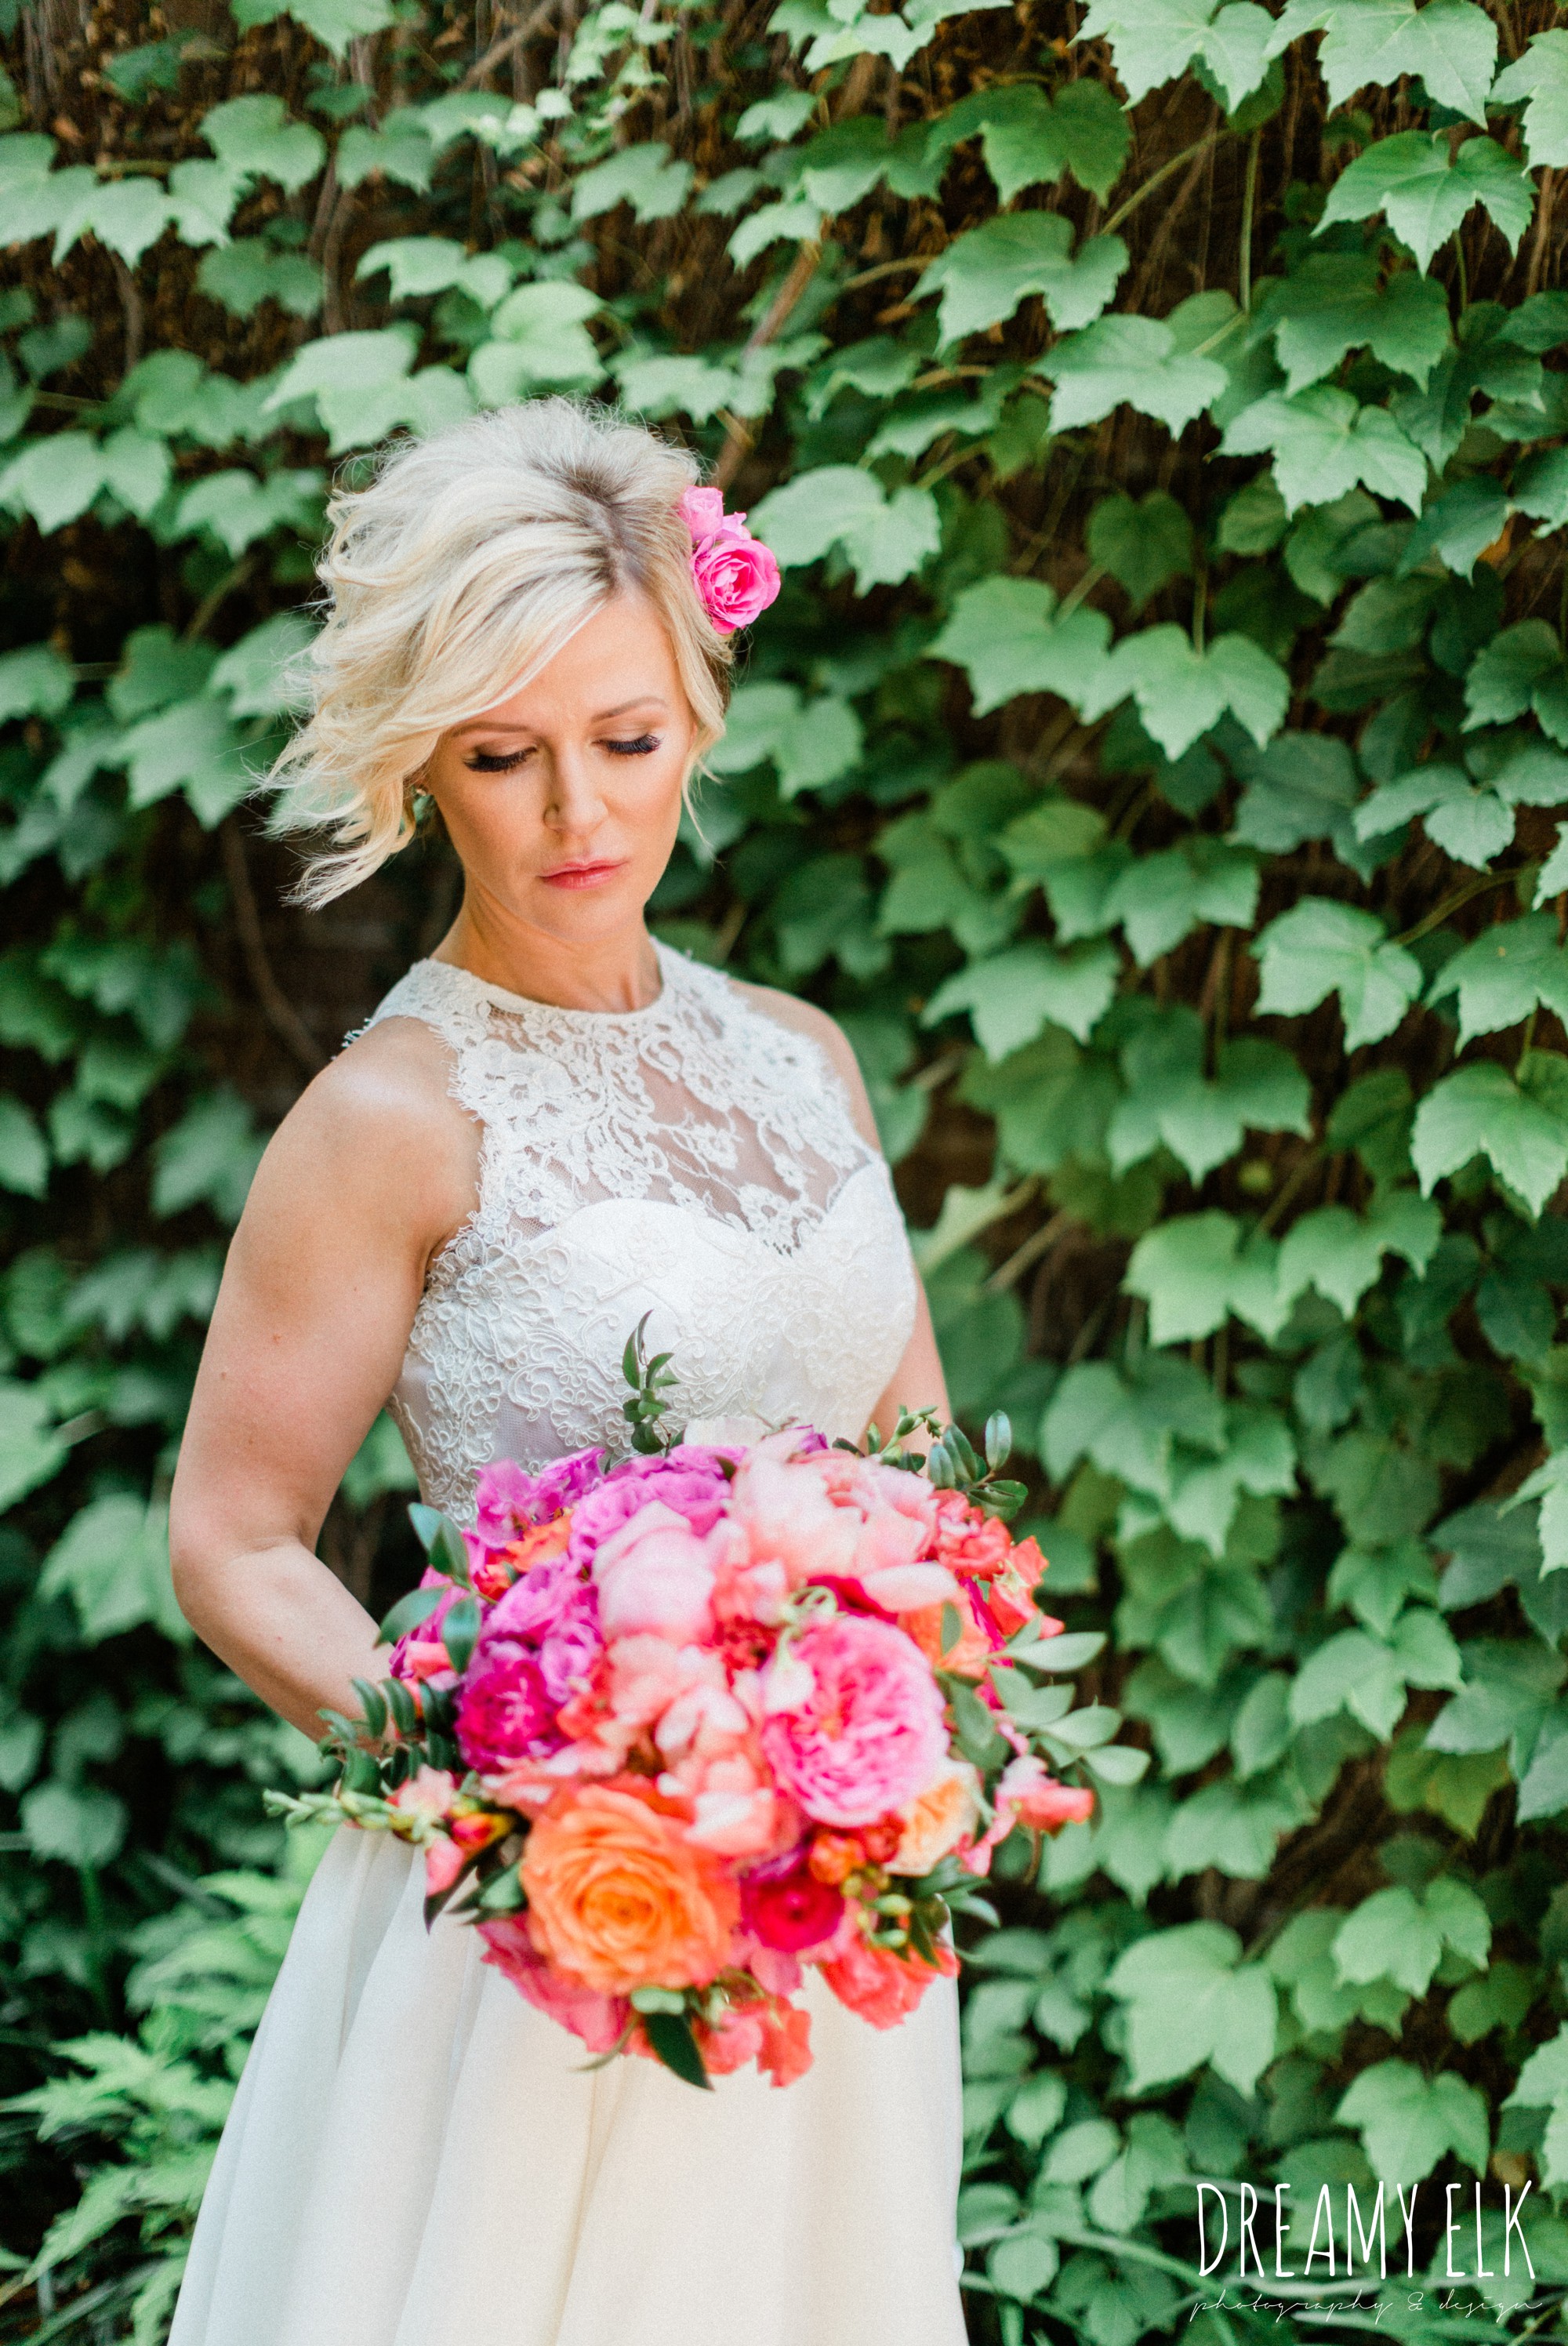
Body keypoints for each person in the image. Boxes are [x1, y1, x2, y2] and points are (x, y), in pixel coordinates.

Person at [166, 398, 966, 2346]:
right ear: (424, 765)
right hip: (548, 1922)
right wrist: (522, 1796)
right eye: (503, 758)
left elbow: (918, 1465)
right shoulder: (391, 1119)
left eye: (625, 740)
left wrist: (867, 1757)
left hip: (818, 1899)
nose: (577, 815)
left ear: (699, 709)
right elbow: (231, 1537)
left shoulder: (802, 1052)